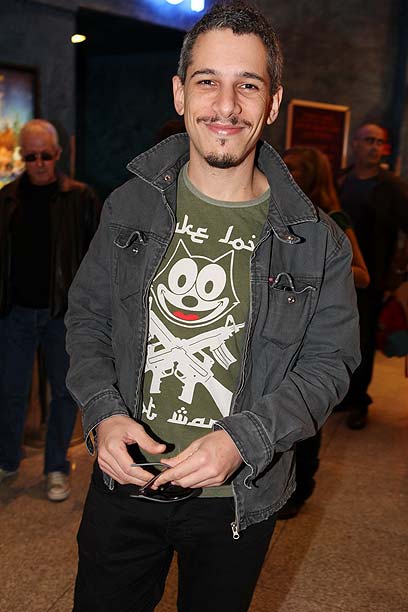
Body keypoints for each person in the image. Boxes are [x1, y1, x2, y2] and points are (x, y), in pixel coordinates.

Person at [65, 3, 360, 610]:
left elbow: (329, 365)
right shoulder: (128, 206)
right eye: (207, 82)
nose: (226, 106)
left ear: (272, 103)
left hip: (238, 499)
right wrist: (102, 414)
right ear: (180, 93)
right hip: (125, 483)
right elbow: (89, 320)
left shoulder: (318, 240)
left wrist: (245, 440)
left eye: (247, 85)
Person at [0, 119, 100, 501]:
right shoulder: (7, 199)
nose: (39, 163)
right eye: (31, 156)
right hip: (15, 314)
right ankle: (7, 459)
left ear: (58, 154)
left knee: (64, 393)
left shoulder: (81, 198)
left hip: (62, 315)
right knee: (10, 391)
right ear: (22, 157)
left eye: (45, 155)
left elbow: (97, 257)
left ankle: (56, 466)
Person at [278, 146, 369, 519]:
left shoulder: (333, 219)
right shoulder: (276, 212)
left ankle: (300, 488)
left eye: (294, 168)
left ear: (313, 176)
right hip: (280, 328)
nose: (285, 173)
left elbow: (363, 275)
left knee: (305, 408)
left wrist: (317, 272)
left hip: (312, 330)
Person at [338, 122, 408, 429]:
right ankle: (341, 396)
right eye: (368, 140)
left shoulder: (391, 186)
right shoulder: (342, 180)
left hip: (372, 278)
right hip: (339, 275)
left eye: (379, 142)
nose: (374, 147)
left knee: (363, 342)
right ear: (355, 143)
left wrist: (397, 272)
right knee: (338, 339)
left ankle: (359, 401)